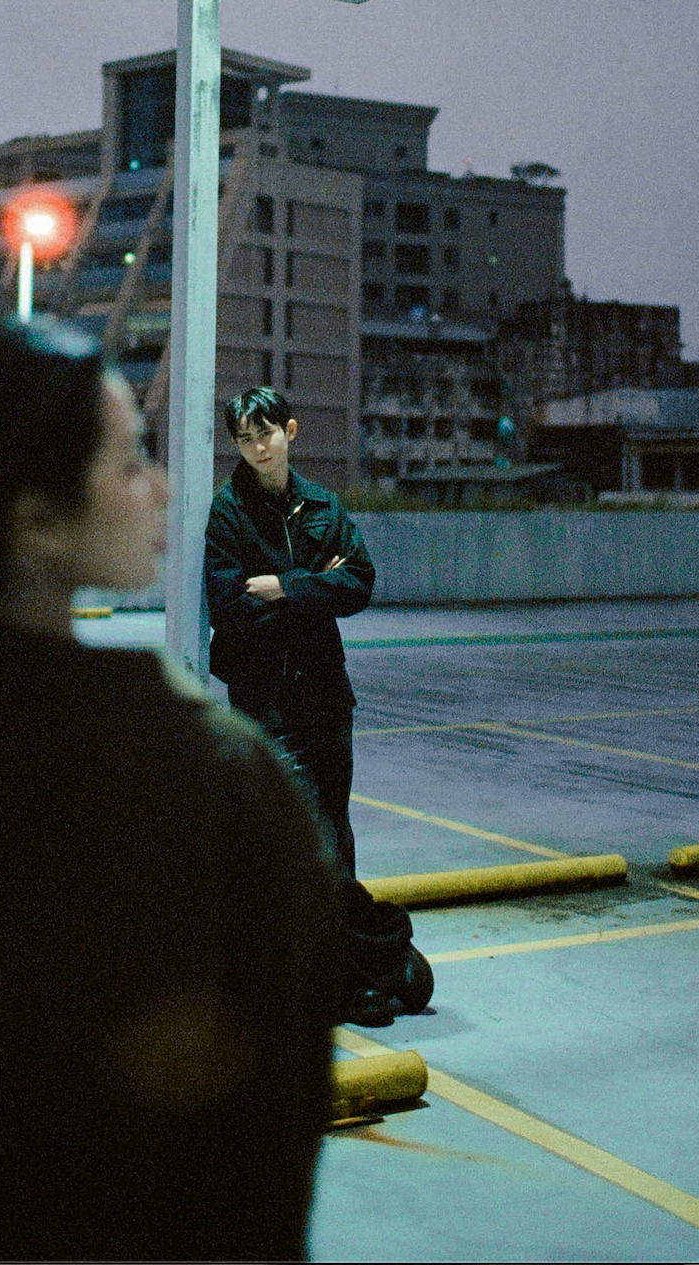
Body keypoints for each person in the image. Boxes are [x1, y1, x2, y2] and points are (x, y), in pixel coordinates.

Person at [0, 316, 340, 1262]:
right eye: (129, 462)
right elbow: (261, 1149)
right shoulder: (199, 775)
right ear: (35, 520)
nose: (162, 488)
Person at [204, 385, 433, 1028]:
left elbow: (358, 582)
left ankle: (340, 968)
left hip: (328, 696)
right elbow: (230, 609)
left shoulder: (323, 505)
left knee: (336, 831)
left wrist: (286, 587)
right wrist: (315, 590)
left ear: (290, 431)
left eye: (266, 434)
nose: (257, 448)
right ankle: (372, 957)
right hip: (267, 702)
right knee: (314, 839)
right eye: (245, 439)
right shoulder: (228, 513)